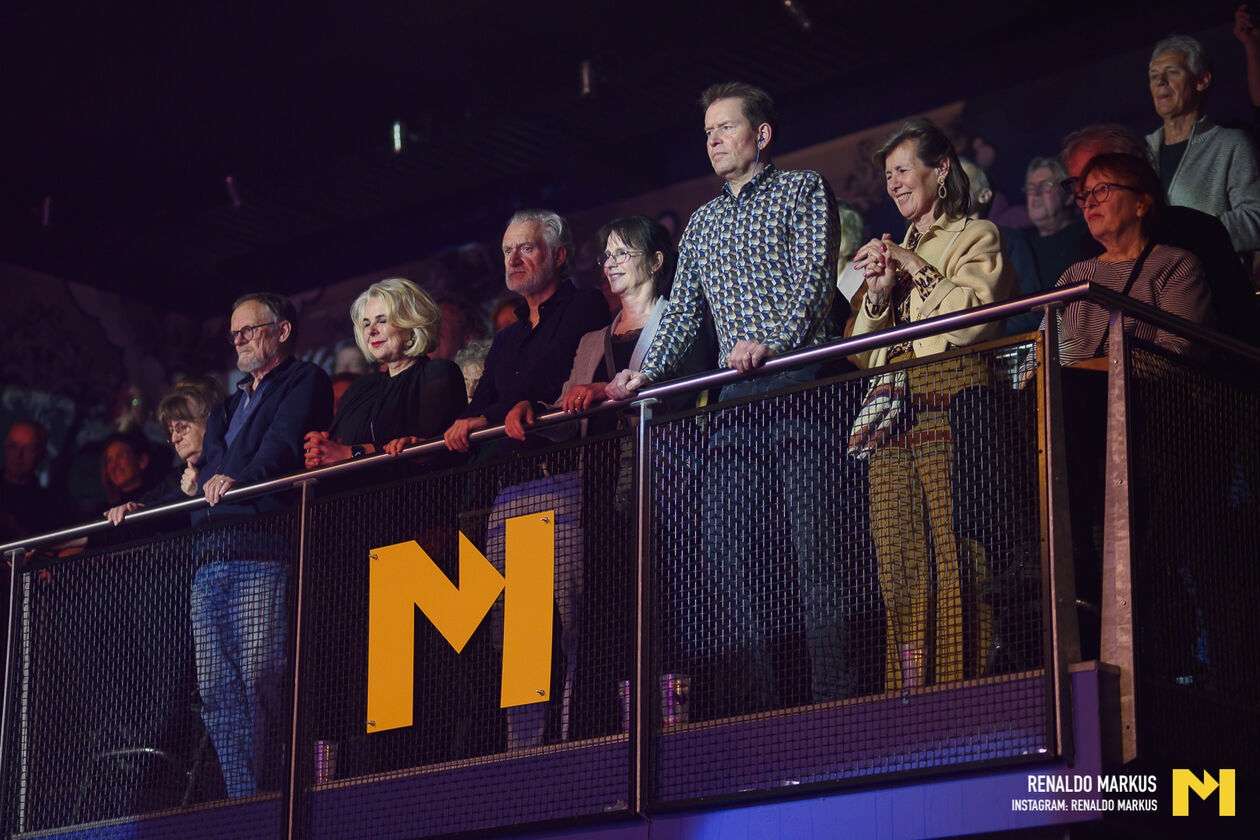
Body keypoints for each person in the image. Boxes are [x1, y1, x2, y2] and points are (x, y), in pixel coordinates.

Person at [607, 82, 854, 714]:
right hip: (736, 401)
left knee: (815, 555)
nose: (713, 140)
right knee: (729, 558)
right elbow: (684, 314)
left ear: (761, 134)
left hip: (800, 384)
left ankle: (833, 704)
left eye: (725, 127)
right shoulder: (702, 221)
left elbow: (815, 281)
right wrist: (645, 376)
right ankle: (761, 710)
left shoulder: (803, 188)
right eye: (708, 131)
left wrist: (771, 342)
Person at [388, 209, 608, 748]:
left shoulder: (584, 306)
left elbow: (559, 380)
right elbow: (485, 403)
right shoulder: (508, 336)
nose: (513, 258)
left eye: (526, 247)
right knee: (516, 635)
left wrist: (507, 409)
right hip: (511, 490)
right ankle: (525, 756)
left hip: (563, 479)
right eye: (507, 249)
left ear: (558, 255)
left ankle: (580, 740)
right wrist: (475, 419)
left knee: (573, 620)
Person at [110, 292, 333, 797]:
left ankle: (278, 793)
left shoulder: (304, 380)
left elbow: (282, 443)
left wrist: (239, 478)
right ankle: (243, 800)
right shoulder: (231, 403)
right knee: (216, 691)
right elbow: (201, 474)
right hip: (210, 562)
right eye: (233, 333)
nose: (238, 340)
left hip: (263, 551)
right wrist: (141, 509)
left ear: (282, 331)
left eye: (248, 330)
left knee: (263, 678)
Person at [849, 118, 1015, 690]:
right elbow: (866, 356)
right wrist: (875, 296)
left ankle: (964, 687)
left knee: (956, 553)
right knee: (897, 561)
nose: (892, 184)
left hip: (952, 409)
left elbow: (971, 324)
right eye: (887, 175)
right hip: (893, 426)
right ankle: (908, 694)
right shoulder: (892, 251)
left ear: (939, 169)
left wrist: (915, 268)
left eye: (902, 170)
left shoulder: (978, 235)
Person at [1060, 124, 1257, 344]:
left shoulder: (1195, 235)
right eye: (1078, 184)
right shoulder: (1078, 261)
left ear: (1138, 177)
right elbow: (1049, 347)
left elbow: (1226, 332)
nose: (1086, 196)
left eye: (1100, 184)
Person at [1053, 153, 1213, 363]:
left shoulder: (1175, 265)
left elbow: (1179, 350)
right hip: (1066, 392)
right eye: (1085, 194)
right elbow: (1038, 354)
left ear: (1141, 203)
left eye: (1102, 190)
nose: (1089, 203)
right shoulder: (1074, 275)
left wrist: (1095, 372)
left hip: (1140, 393)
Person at [304, 278, 465, 469]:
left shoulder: (438, 373)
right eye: (366, 324)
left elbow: (424, 450)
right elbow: (335, 445)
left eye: (382, 321)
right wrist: (319, 448)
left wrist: (349, 453)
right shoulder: (360, 388)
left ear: (411, 324)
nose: (371, 331)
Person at [1145, 34, 1260, 257]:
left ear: (1202, 81)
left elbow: (1256, 219)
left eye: (1172, 72)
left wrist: (1192, 231)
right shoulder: (1142, 154)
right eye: (1154, 75)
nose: (1160, 81)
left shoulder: (1231, 144)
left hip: (1216, 286)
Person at [1009, 156, 1085, 335]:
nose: (1035, 194)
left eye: (1046, 186)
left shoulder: (1087, 237)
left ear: (1067, 196)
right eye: (1030, 188)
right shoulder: (1021, 245)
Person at [1, 420, 59, 541]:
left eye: (28, 448)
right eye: (13, 446)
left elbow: (47, 549)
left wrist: (12, 527)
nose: (18, 455)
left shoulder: (49, 504)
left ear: (41, 454)